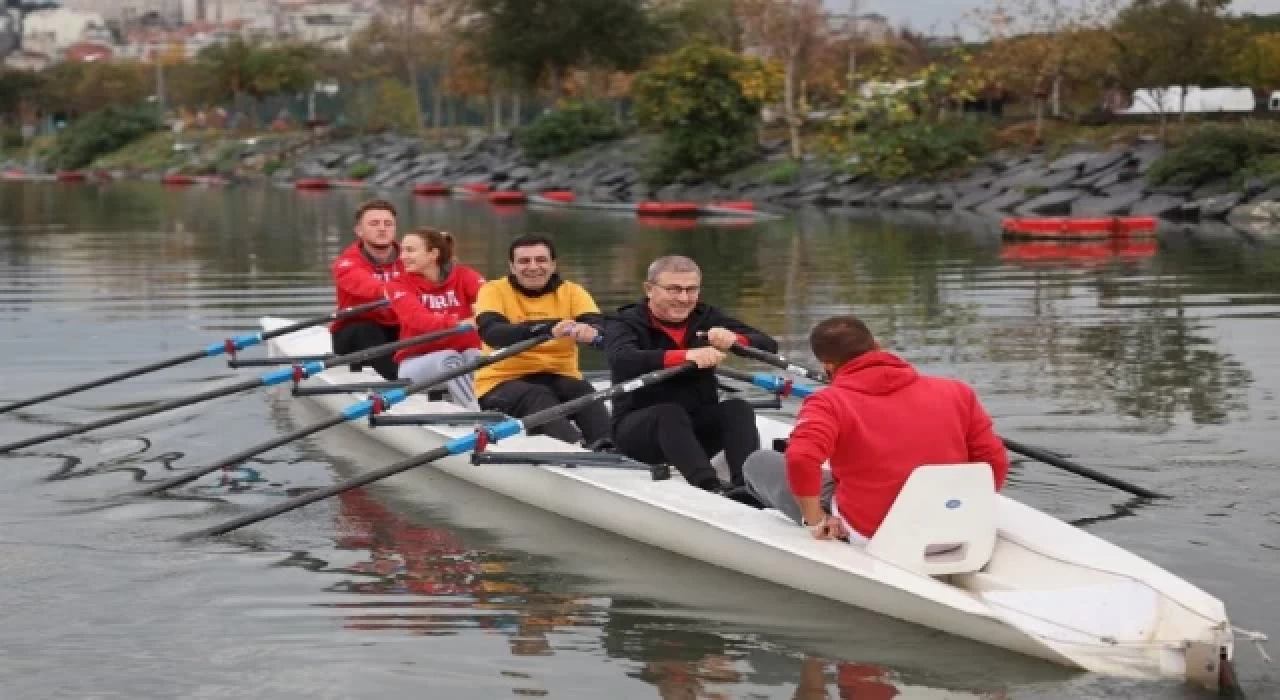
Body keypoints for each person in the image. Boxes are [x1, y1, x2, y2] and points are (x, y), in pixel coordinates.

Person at [743, 315, 1009, 542]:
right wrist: (972, 510)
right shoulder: (957, 392)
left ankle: (812, 522)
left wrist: (815, 522)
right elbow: (994, 459)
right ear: (878, 347)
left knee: (757, 461)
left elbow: (801, 459)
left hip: (872, 532)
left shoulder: (827, 403)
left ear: (827, 366)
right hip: (953, 521)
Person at [603, 255, 779, 493]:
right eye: (674, 290)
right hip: (639, 436)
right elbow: (622, 359)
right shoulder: (623, 322)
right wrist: (684, 356)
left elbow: (768, 346)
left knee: (738, 409)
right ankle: (709, 486)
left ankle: (747, 486)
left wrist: (735, 339)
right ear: (649, 289)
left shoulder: (706, 318)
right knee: (669, 413)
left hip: (695, 433)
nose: (684, 299)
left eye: (691, 290)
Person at [472, 233, 610, 446]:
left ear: (553, 264)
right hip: (500, 382)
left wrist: (593, 332)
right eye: (524, 261)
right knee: (537, 395)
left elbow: (603, 329)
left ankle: (611, 446)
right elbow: (492, 333)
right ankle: (573, 448)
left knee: (583, 392)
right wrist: (546, 329)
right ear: (512, 266)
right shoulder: (494, 290)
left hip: (559, 376)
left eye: (541, 260)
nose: (533, 267)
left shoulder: (573, 292)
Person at [385, 227, 486, 409]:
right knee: (449, 359)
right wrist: (458, 323)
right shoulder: (397, 285)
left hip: (462, 356)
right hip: (415, 364)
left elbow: (490, 298)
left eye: (410, 250)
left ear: (433, 254)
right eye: (402, 250)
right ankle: (475, 413)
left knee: (477, 356)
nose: (402, 256)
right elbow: (418, 319)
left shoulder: (464, 275)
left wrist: (485, 313)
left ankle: (491, 408)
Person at [330, 198, 405, 380]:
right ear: (359, 231)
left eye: (388, 224)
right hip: (356, 335)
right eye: (374, 223)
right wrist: (397, 291)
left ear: (394, 229)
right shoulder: (346, 263)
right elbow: (368, 287)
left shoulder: (411, 257)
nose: (382, 228)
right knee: (366, 330)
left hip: (397, 330)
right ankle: (399, 381)